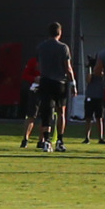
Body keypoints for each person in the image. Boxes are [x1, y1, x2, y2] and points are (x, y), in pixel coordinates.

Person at [31, 23, 74, 152]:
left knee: (46, 112)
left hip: (45, 81)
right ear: (59, 33)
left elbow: (38, 65)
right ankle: (60, 141)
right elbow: (68, 67)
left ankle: (46, 140)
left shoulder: (41, 47)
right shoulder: (63, 48)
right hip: (59, 82)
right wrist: (73, 83)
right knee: (61, 111)